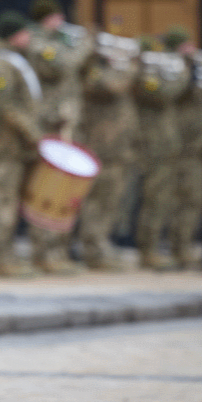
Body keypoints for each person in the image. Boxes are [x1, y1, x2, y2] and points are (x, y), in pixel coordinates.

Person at [0, 11, 43, 278]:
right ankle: (1, 258)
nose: (30, 38)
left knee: (10, 202)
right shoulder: (0, 66)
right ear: (13, 36)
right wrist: (33, 133)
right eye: (25, 33)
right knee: (2, 202)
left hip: (17, 146)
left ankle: (8, 255)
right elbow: (3, 107)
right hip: (4, 146)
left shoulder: (15, 62)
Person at [24, 0, 87, 274]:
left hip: (65, 123)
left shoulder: (59, 41)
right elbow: (60, 66)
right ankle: (44, 252)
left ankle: (59, 249)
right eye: (55, 17)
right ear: (44, 19)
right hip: (48, 123)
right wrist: (85, 46)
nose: (61, 22)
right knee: (48, 188)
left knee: (65, 191)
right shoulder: (38, 43)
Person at [74, 26, 137, 271]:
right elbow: (112, 87)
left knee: (112, 201)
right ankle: (93, 248)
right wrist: (128, 65)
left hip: (119, 147)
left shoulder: (116, 70)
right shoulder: (95, 72)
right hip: (102, 147)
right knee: (98, 200)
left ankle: (103, 244)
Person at [131, 35, 191, 270]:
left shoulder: (154, 74)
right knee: (154, 200)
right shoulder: (145, 78)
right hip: (152, 146)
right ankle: (147, 250)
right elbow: (166, 94)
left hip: (165, 146)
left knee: (163, 199)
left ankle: (155, 248)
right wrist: (184, 71)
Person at [168, 29, 202, 269]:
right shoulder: (171, 70)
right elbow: (175, 92)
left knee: (195, 201)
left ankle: (186, 245)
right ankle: (179, 248)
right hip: (180, 147)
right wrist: (186, 67)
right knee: (181, 200)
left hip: (197, 147)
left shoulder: (196, 69)